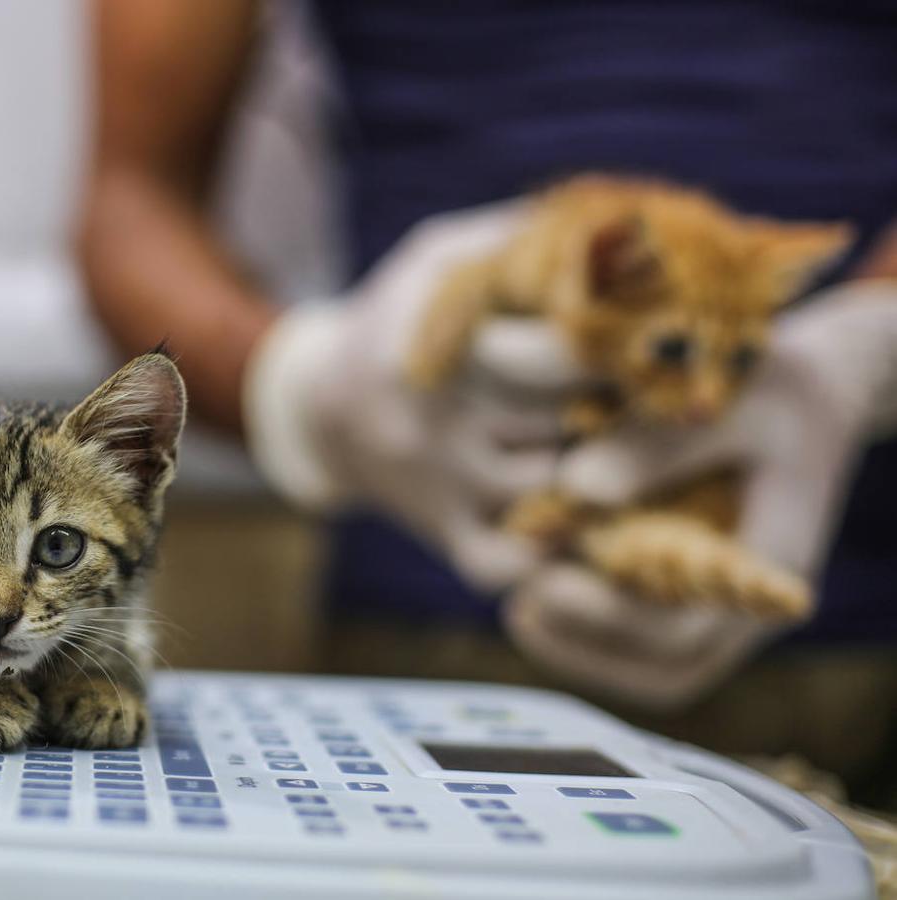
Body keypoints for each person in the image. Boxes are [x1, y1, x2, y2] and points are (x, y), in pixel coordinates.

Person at [76, 0, 897, 795]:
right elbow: (132, 198)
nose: (703, 404)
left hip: (870, 654)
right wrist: (301, 383)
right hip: (421, 649)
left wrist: (863, 355)